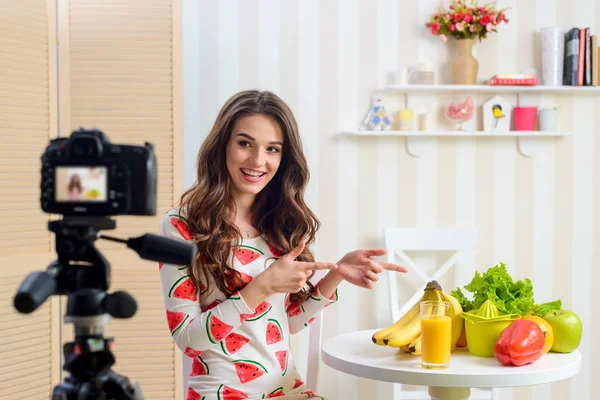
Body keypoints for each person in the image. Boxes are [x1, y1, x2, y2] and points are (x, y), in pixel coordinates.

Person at [159, 90, 407, 400]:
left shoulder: (277, 222)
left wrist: (337, 274)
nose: (258, 160)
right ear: (222, 145)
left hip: (288, 391)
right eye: (245, 143)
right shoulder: (181, 226)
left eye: (272, 149)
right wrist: (261, 286)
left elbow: (287, 322)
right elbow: (188, 339)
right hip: (221, 394)